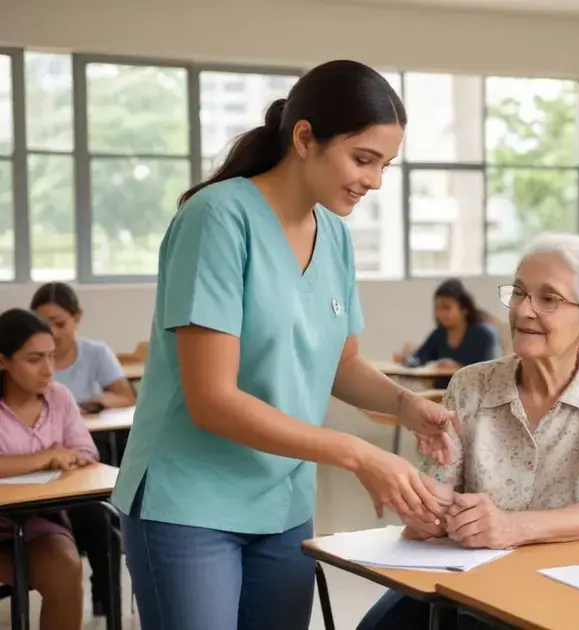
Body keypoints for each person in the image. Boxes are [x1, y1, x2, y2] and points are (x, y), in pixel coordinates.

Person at [110, 60, 459, 630]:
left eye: (385, 165)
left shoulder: (336, 236)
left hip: (282, 503)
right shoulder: (217, 218)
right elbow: (212, 400)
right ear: (304, 138)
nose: (375, 181)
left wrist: (406, 405)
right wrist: (358, 454)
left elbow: (341, 361)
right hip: (190, 501)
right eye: (363, 159)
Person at [359, 234, 579, 630]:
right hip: (471, 582)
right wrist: (426, 511)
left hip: (568, 589)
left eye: (548, 299)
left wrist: (511, 527)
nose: (524, 310)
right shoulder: (470, 385)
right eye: (520, 292)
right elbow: (432, 507)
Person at [0, 308, 104, 630]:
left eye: (52, 357)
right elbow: (56, 455)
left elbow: (85, 452)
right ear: (3, 361)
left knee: (66, 567)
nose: (48, 370)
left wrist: (68, 458)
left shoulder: (59, 397)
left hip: (40, 523)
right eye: (34, 359)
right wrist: (45, 457)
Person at [30, 282, 135, 414]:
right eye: (42, 326)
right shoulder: (25, 359)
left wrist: (99, 403)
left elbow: (127, 397)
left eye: (60, 324)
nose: (53, 333)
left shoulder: (97, 353)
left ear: (77, 317)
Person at [393, 278, 499, 389]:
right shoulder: (439, 334)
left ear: (464, 309)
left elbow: (488, 371)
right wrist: (404, 359)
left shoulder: (484, 335)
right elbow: (419, 360)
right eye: (437, 308)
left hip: (474, 392)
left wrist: (459, 367)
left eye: (447, 308)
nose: (441, 314)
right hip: (442, 392)